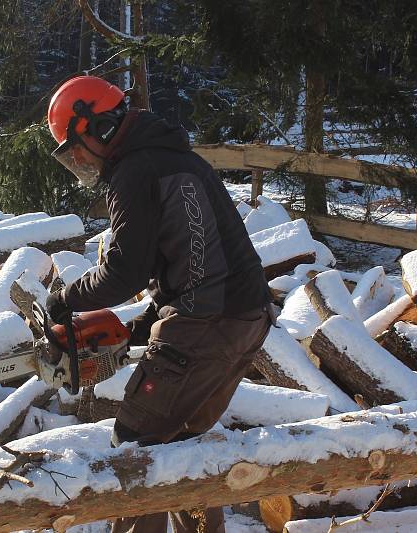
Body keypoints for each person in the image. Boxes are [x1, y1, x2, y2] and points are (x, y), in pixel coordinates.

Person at [45, 76, 273, 533]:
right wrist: (137, 328)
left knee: (135, 450)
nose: (80, 161)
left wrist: (63, 300)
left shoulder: (133, 171)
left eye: (77, 148)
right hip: (249, 316)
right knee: (182, 448)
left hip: (208, 321)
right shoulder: (174, 157)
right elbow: (190, 261)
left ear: (98, 127)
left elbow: (124, 272)